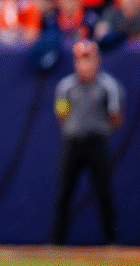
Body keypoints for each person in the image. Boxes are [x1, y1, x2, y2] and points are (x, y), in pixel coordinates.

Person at [52, 40, 123, 245]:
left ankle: (111, 241)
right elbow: (61, 113)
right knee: (64, 192)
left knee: (104, 192)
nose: (85, 65)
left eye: (89, 60)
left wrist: (100, 130)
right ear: (75, 63)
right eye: (81, 60)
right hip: (73, 142)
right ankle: (57, 242)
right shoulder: (65, 86)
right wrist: (74, 128)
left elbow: (116, 116)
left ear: (97, 61)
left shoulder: (108, 85)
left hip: (98, 142)